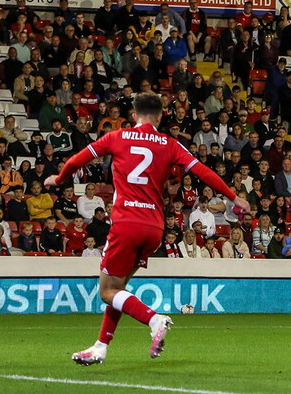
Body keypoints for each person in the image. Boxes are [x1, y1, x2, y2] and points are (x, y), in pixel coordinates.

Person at [44, 93, 249, 366]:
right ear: (161, 116)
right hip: (154, 228)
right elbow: (203, 172)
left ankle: (155, 320)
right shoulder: (169, 143)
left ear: (133, 115)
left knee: (107, 291)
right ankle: (100, 347)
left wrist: (58, 178)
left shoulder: (117, 137)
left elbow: (77, 160)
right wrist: (234, 197)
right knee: (119, 290)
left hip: (126, 223)